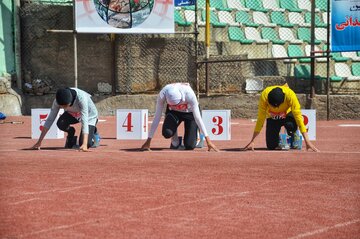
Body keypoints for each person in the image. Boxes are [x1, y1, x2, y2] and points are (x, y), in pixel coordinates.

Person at [141, 83, 219, 152]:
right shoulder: (163, 93)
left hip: (190, 113)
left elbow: (198, 118)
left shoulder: (189, 94)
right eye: (172, 105)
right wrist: (148, 140)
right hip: (174, 113)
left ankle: (198, 136)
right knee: (167, 133)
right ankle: (175, 141)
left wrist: (208, 141)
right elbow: (157, 117)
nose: (176, 106)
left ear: (182, 98)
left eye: (177, 105)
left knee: (190, 146)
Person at [243, 85, 319, 152]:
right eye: (272, 106)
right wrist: (252, 141)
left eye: (277, 106)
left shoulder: (290, 95)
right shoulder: (264, 96)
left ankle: (294, 134)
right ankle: (278, 139)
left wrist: (307, 141)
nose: (275, 108)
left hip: (287, 115)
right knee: (271, 146)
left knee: (290, 125)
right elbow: (260, 119)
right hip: (272, 117)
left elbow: (298, 117)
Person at [31, 87, 99, 152]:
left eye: (65, 106)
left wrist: (84, 144)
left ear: (70, 101)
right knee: (61, 123)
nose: (64, 108)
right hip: (73, 113)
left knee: (86, 144)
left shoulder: (81, 98)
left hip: (89, 116)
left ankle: (94, 131)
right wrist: (39, 142)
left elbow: (84, 120)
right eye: (62, 106)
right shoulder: (57, 101)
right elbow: (50, 119)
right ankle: (71, 132)